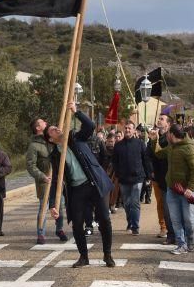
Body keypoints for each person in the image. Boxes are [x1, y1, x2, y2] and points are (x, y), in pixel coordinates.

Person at [46, 102, 115, 268]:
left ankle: (107, 254)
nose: (57, 129)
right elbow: (56, 179)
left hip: (93, 183)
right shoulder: (55, 156)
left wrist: (77, 112)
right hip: (76, 190)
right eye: (53, 130)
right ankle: (83, 256)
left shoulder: (75, 138)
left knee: (104, 219)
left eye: (57, 127)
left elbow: (90, 125)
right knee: (77, 223)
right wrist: (52, 205)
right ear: (50, 139)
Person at [151, 123, 194, 255]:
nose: (166, 135)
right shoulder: (171, 147)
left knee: (188, 219)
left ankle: (190, 240)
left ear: (172, 134)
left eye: (167, 133)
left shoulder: (189, 149)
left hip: (186, 192)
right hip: (171, 189)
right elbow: (158, 154)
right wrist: (154, 139)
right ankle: (181, 244)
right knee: (175, 219)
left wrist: (190, 188)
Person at [26, 117, 68, 245]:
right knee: (43, 207)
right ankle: (40, 233)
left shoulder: (52, 140)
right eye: (42, 122)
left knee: (59, 205)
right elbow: (30, 165)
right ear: (38, 127)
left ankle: (59, 229)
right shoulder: (34, 145)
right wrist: (41, 176)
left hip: (58, 179)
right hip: (45, 181)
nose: (45, 122)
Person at [112, 121, 153, 235]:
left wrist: (148, 175)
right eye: (126, 128)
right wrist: (118, 173)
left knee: (135, 203)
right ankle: (129, 221)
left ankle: (135, 226)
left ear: (134, 130)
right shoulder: (118, 145)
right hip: (123, 179)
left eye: (130, 128)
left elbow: (146, 160)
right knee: (126, 203)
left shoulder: (140, 144)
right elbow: (114, 161)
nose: (127, 130)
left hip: (137, 178)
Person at [150, 114, 175, 244]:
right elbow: (150, 155)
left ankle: (181, 235)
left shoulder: (171, 138)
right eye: (158, 118)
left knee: (177, 209)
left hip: (173, 177)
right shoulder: (154, 137)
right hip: (160, 178)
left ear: (168, 124)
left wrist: (156, 141)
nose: (158, 120)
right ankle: (170, 234)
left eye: (162, 119)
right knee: (165, 208)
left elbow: (161, 154)